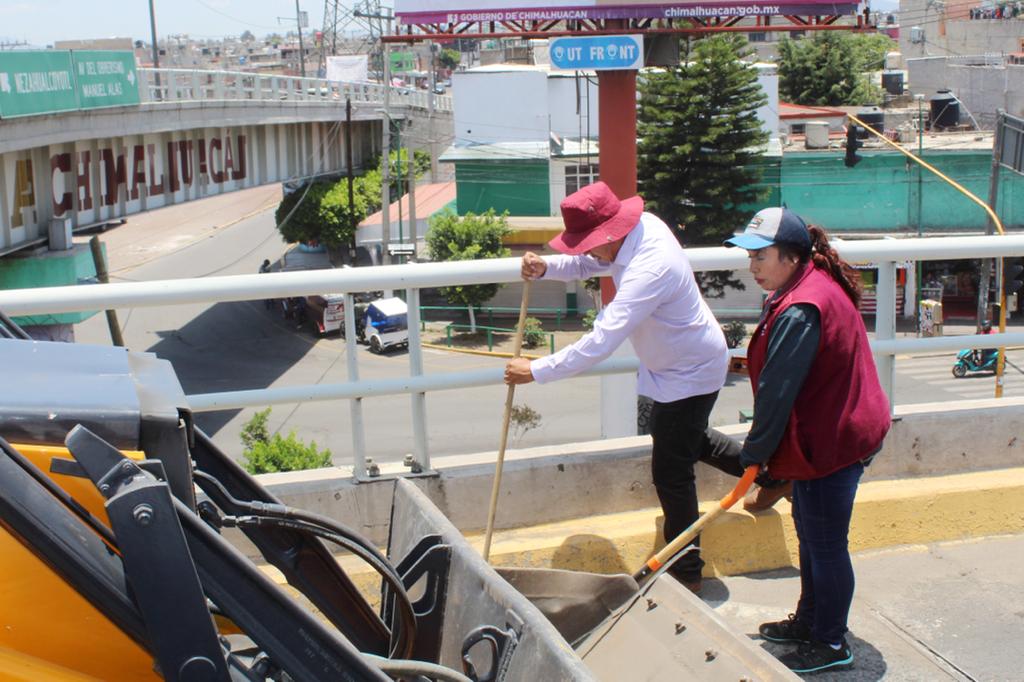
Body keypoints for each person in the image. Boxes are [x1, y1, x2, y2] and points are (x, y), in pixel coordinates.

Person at [503, 181, 786, 594]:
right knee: (685, 438)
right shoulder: (638, 230)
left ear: (611, 233)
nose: (588, 252)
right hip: (677, 364)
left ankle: (686, 568)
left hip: (690, 368)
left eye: (590, 243)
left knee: (671, 472)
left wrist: (538, 369)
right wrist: (550, 267)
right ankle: (773, 476)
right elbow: (592, 264)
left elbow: (602, 339)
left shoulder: (649, 266)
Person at [723, 207, 891, 674]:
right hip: (837, 432)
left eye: (761, 256)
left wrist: (755, 456)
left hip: (832, 444)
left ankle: (831, 643)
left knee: (825, 543)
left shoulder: (801, 308)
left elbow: (777, 392)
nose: (752, 267)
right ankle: (811, 621)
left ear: (792, 257)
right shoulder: (808, 283)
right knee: (813, 534)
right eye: (749, 256)